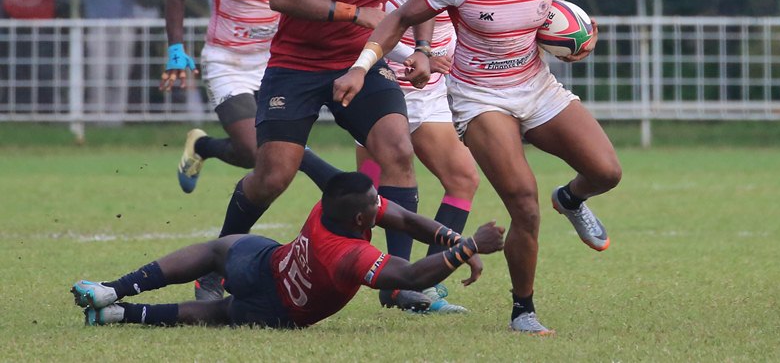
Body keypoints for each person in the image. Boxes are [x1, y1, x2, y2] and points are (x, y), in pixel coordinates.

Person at [333, 0, 622, 335]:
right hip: (481, 98)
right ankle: (523, 310)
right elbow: (401, 18)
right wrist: (360, 67)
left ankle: (571, 198)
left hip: (537, 86)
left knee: (607, 172)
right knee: (524, 203)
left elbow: (552, 6)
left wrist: (577, 32)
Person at [183, 0, 435, 310]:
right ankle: (213, 266)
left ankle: (398, 283)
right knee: (272, 175)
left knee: (398, 151)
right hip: (296, 64)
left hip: (358, 61)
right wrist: (356, 13)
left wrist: (423, 49)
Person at [70, 172, 505, 328]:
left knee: (218, 248)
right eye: (376, 203)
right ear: (362, 220)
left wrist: (451, 240)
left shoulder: (328, 206)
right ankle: (118, 313)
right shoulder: (349, 255)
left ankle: (113, 295)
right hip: (278, 310)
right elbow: (410, 278)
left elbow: (409, 220)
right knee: (219, 314)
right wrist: (468, 246)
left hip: (265, 261)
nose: (381, 205)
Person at [355, 0, 484, 314]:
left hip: (427, 96)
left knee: (463, 178)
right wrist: (420, 56)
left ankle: (416, 283)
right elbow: (379, 27)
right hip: (383, 90)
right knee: (364, 201)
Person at [158, 0, 291, 195]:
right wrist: (176, 48)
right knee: (255, 154)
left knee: (276, 154)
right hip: (227, 62)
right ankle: (204, 147)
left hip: (276, 64)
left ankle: (202, 146)